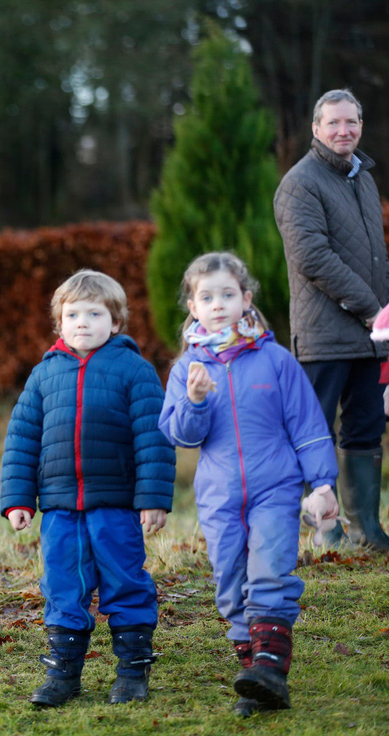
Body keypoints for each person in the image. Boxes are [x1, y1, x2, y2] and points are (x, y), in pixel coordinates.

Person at [159, 252, 339, 715]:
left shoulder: (276, 361)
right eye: (206, 296)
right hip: (219, 496)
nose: (217, 304)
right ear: (192, 307)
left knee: (269, 572)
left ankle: (270, 669)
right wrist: (196, 400)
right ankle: (255, 678)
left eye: (227, 294)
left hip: (275, 488)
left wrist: (321, 482)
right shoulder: (187, 371)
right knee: (229, 581)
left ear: (246, 299)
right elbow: (179, 434)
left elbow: (308, 424)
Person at [0, 270, 175, 707]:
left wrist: (152, 499)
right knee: (62, 586)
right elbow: (22, 439)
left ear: (115, 322)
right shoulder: (44, 375)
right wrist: (18, 499)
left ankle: (132, 671)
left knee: (125, 582)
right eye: (72, 314)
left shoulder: (134, 370)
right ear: (59, 323)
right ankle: (63, 675)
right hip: (60, 509)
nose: (82, 322)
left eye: (94, 313)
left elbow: (153, 438)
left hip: (115, 506)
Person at [274, 88, 389, 552]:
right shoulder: (299, 183)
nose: (344, 130)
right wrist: (373, 308)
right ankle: (325, 531)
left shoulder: (362, 177)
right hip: (324, 335)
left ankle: (366, 530)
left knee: (365, 428)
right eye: (334, 123)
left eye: (352, 122)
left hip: (370, 336)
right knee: (313, 431)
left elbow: (373, 256)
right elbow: (313, 258)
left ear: (360, 125)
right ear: (317, 129)